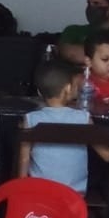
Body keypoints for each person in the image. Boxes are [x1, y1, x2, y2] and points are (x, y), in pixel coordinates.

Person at [18, 59, 90, 193]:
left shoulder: (31, 119)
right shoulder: (84, 118)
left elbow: (24, 158)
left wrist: (22, 190)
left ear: (39, 93)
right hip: (74, 194)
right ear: (68, 88)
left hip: (40, 191)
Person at [57, 0, 109, 64]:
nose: (90, 8)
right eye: (89, 3)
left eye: (96, 3)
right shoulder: (74, 30)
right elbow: (71, 53)